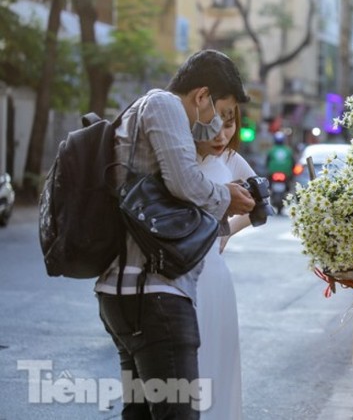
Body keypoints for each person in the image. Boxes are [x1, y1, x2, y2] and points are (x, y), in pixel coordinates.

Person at [95, 49, 256, 420]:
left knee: (141, 415)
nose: (218, 129)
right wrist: (226, 197)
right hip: (156, 297)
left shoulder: (140, 114)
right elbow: (186, 183)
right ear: (201, 97)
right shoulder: (165, 105)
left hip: (124, 293)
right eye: (218, 114)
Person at [195, 105, 254, 420]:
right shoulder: (178, 155)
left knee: (216, 362)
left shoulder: (231, 160)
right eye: (217, 125)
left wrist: (226, 231)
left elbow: (258, 205)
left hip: (214, 275)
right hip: (179, 273)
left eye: (230, 125)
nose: (223, 134)